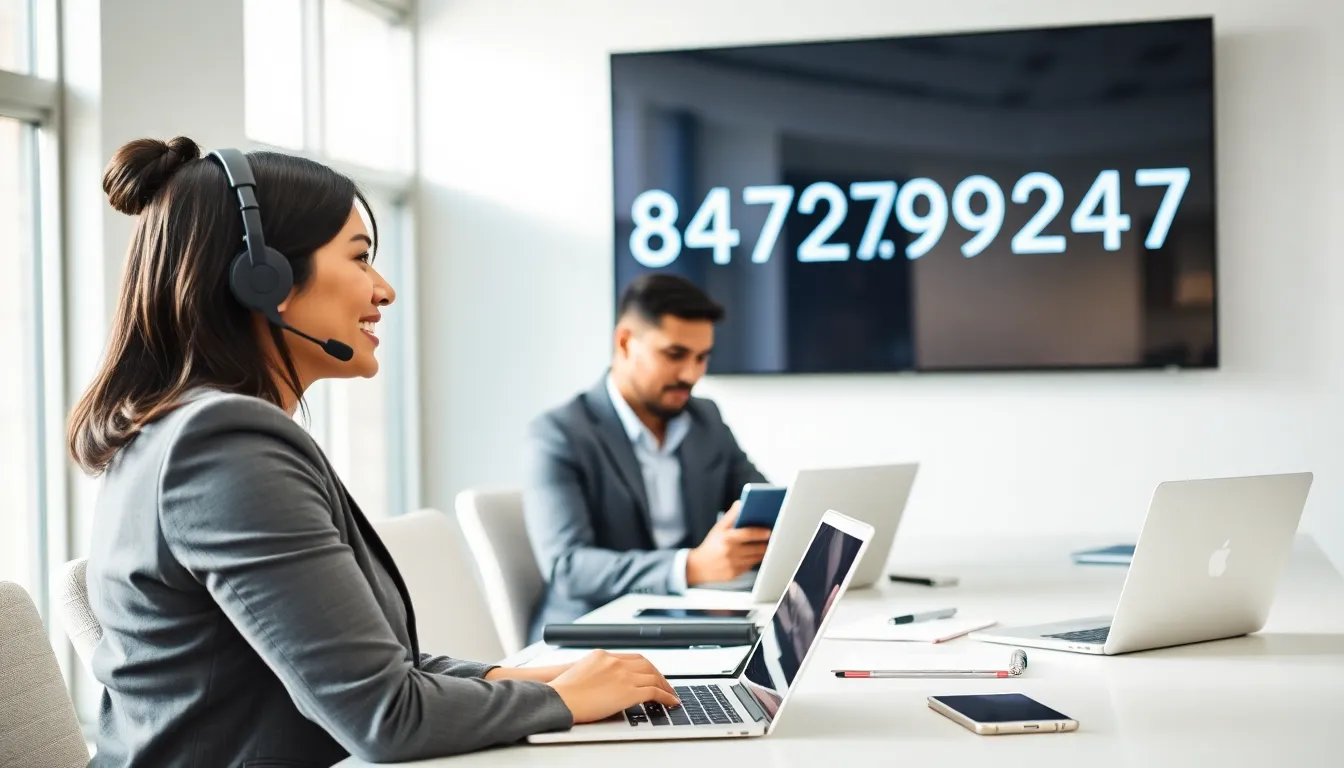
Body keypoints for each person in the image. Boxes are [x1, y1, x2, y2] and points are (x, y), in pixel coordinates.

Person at [70, 137, 679, 767]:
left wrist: (545, 680)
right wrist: (567, 703)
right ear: (263, 279)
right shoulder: (222, 448)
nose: (383, 291)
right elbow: (387, 718)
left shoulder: (192, 431)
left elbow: (373, 672)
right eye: (361, 259)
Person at [522, 273, 771, 641]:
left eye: (702, 357)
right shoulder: (559, 433)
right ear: (625, 342)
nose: (692, 374)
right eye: (675, 355)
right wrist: (690, 567)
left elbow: (760, 500)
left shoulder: (706, 420)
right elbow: (568, 567)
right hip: (591, 635)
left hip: (689, 621)